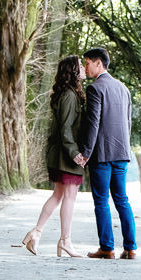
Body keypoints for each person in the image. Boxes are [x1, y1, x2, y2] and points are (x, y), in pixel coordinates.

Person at [74, 46, 137, 259]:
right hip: (121, 153)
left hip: (101, 154)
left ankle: (107, 248)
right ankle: (130, 248)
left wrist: (86, 152)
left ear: (98, 63)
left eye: (88, 63)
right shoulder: (123, 89)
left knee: (101, 200)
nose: (85, 67)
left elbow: (93, 123)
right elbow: (128, 123)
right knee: (122, 199)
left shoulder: (95, 88)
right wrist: (125, 149)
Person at [21, 55, 85, 258]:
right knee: (69, 196)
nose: (84, 68)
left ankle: (36, 233)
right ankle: (65, 241)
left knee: (59, 194)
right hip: (65, 154)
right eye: (80, 65)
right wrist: (75, 153)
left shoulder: (69, 93)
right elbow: (65, 129)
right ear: (73, 71)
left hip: (61, 152)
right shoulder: (69, 95)